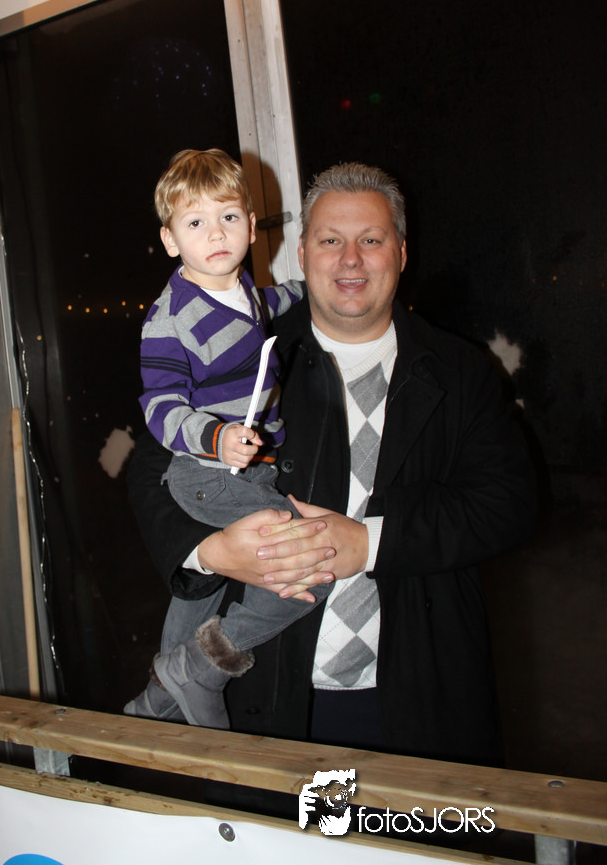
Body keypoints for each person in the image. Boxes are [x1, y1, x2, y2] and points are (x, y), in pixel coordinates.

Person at [127, 162, 537, 764]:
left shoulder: (460, 370)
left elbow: (511, 503)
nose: (350, 259)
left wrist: (370, 543)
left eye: (370, 239)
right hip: (275, 699)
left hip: (419, 698)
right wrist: (210, 553)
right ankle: (187, 675)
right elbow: (151, 471)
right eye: (329, 240)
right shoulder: (249, 346)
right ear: (302, 253)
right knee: (311, 825)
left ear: (401, 252)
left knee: (408, 828)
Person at [125, 148, 334, 729]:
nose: (215, 234)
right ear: (170, 240)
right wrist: (214, 437)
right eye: (195, 222)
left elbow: (269, 304)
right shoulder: (169, 318)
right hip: (205, 472)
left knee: (201, 589)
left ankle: (158, 702)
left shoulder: (240, 289)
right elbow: (160, 407)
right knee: (306, 567)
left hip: (246, 469)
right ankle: (205, 666)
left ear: (250, 223)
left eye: (229, 217)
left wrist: (312, 287)